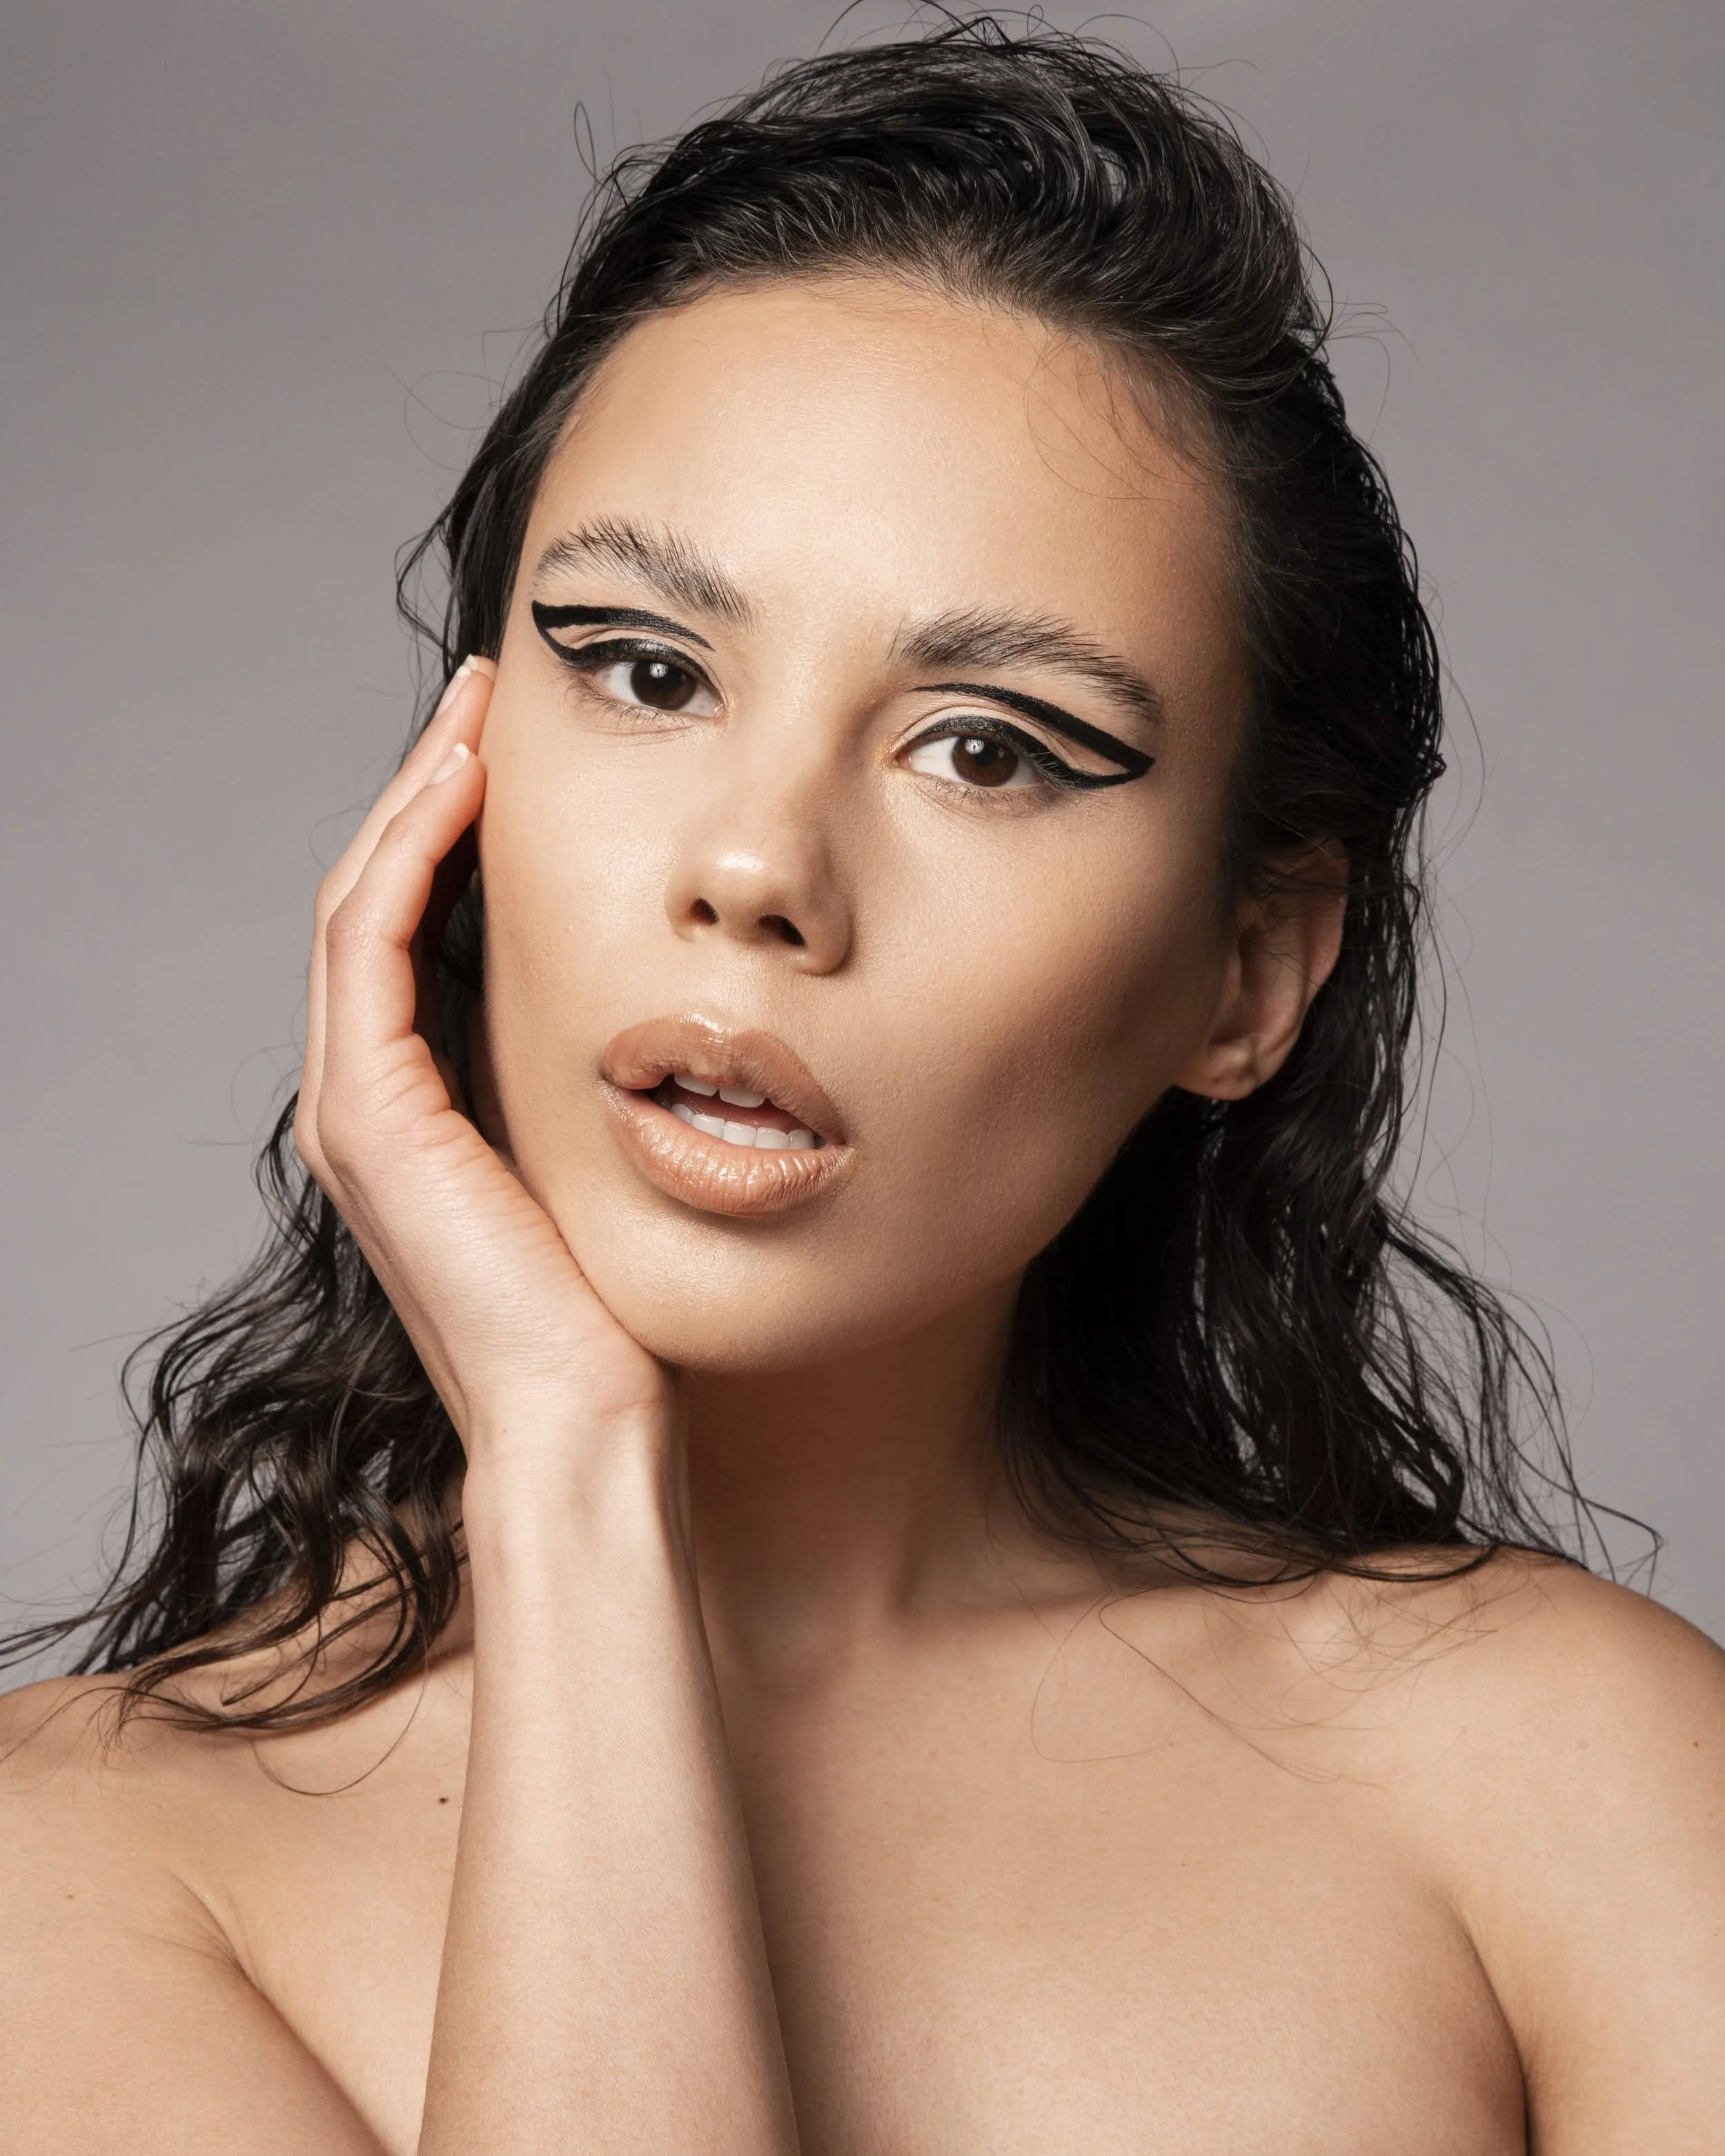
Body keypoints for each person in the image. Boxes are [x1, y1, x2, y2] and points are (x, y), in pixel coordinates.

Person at [3, 19, 1722, 2153]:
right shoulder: (76, 1876)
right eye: (646, 671)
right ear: (459, 771)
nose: (755, 869)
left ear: (1245, 971)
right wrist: (567, 1464)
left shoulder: (1573, 1782)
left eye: (987, 748)